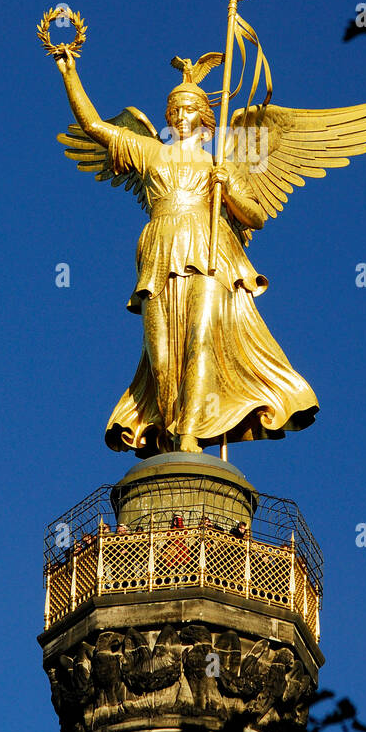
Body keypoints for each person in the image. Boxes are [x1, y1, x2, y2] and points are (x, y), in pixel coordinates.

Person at [54, 47, 319, 455]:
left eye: (189, 107)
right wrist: (70, 72)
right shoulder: (149, 152)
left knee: (200, 341)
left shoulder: (222, 163)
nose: (179, 114)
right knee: (161, 355)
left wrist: (227, 188)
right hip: (160, 246)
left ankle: (191, 435)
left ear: (204, 119)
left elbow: (255, 217)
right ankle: (170, 433)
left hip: (210, 246)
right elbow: (91, 124)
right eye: (173, 108)